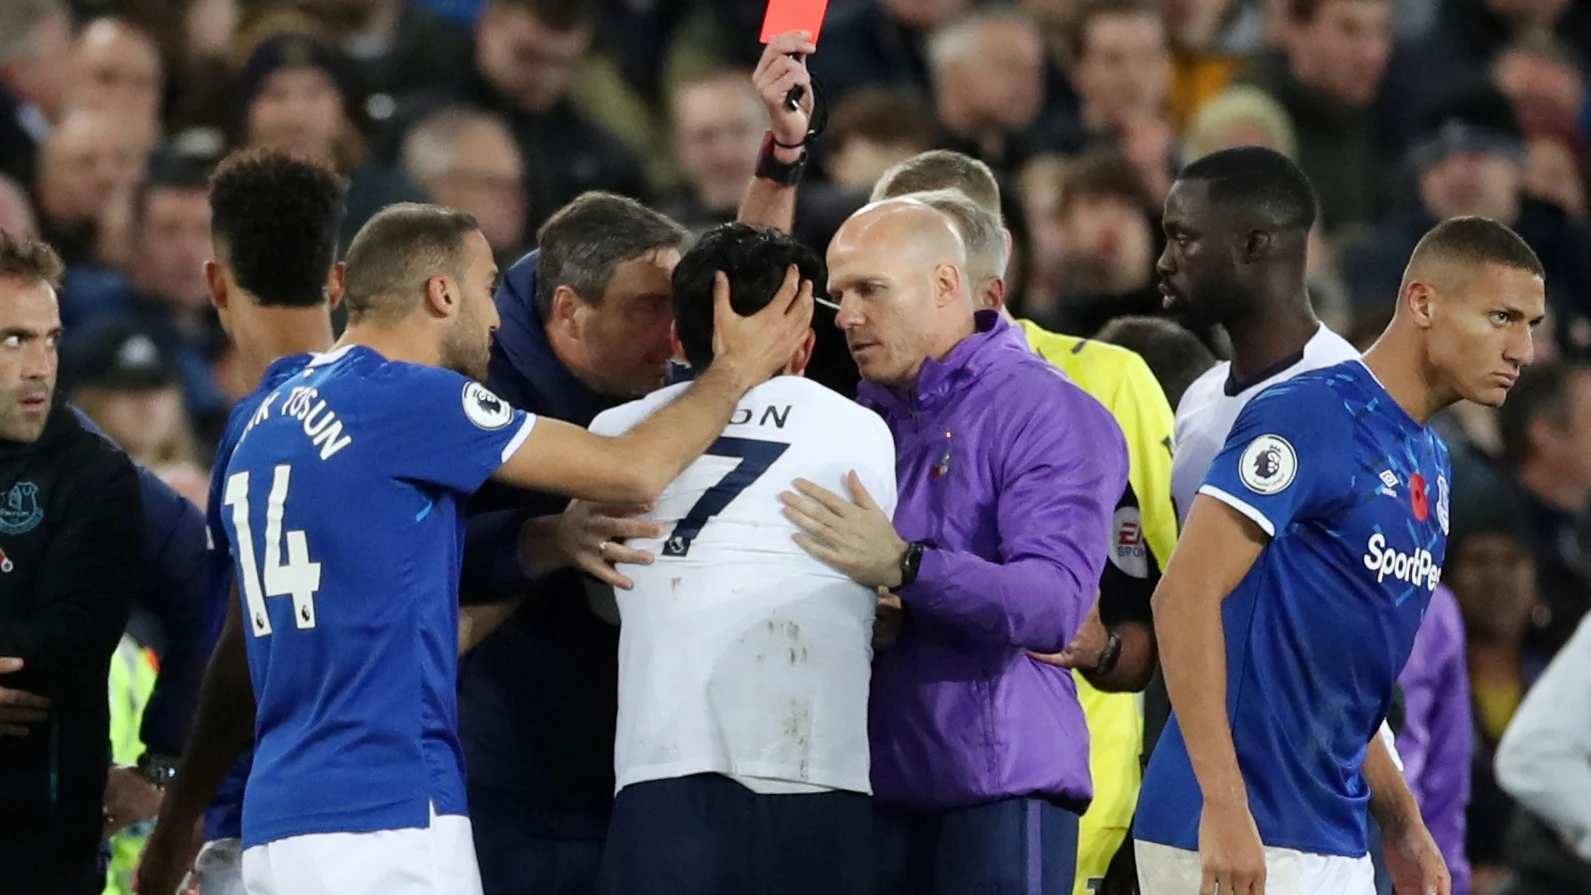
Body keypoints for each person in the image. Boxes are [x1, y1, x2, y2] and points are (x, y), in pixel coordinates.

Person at [177, 202, 811, 895]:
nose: (497, 317)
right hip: (390, 816)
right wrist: (735, 371)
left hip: (281, 822)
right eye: (484, 289)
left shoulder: (261, 413)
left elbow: (277, 645)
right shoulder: (411, 398)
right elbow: (633, 467)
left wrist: (545, 546)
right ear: (440, 293)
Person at [455, 33, 819, 895]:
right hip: (503, 773)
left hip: (645, 766)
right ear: (571, 315)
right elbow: (413, 555)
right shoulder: (471, 379)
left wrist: (782, 156)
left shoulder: (643, 357)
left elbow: (740, 296)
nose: (676, 337)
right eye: (651, 310)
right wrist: (545, 538)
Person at [1136, 215, 1546, 895]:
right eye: (1500, 316)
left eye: (1529, 323)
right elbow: (1182, 595)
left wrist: (1404, 822)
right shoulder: (1313, 414)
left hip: (1332, 831)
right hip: (1236, 832)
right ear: (1422, 302)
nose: (1522, 348)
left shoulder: (1431, 461)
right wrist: (1225, 806)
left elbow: (1341, 677)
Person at [781, 192, 1128, 894]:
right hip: (871, 789)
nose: (846, 315)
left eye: (869, 290)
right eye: (839, 294)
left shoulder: (1048, 409)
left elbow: (1054, 604)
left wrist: (905, 565)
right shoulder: (858, 418)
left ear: (945, 286)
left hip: (998, 791)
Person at [869, 149, 1177, 895]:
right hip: (891, 786)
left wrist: (1101, 647)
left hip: (1068, 801)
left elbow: (1180, 604)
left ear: (983, 257)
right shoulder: (862, 402)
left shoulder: (1103, 383)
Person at [591, 223, 896, 895]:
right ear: (805, 344)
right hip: (820, 771)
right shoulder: (861, 430)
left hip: (661, 770)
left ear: (677, 340)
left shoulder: (611, 434)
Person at [135, 146, 352, 895]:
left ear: (216, 282)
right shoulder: (407, 410)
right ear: (335, 279)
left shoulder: (253, 431)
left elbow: (240, 644)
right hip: (407, 814)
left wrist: (174, 823)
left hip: (262, 817)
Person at [0, 231, 145, 895]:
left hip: (40, 847)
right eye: (13, 340)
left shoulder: (96, 474)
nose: (39, 365)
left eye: (50, 339)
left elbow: (71, 644)